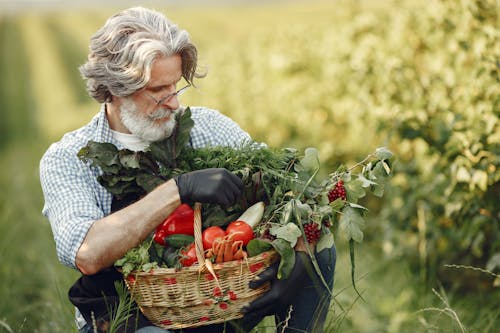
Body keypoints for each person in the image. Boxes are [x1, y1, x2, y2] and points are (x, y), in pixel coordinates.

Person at [39, 7, 336, 333]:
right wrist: (176, 189)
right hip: (125, 320)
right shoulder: (69, 158)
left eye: (176, 87)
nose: (174, 104)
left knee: (318, 253)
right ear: (114, 88)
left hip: (219, 304)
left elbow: (294, 194)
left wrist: (297, 270)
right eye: (157, 91)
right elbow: (88, 254)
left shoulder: (208, 128)